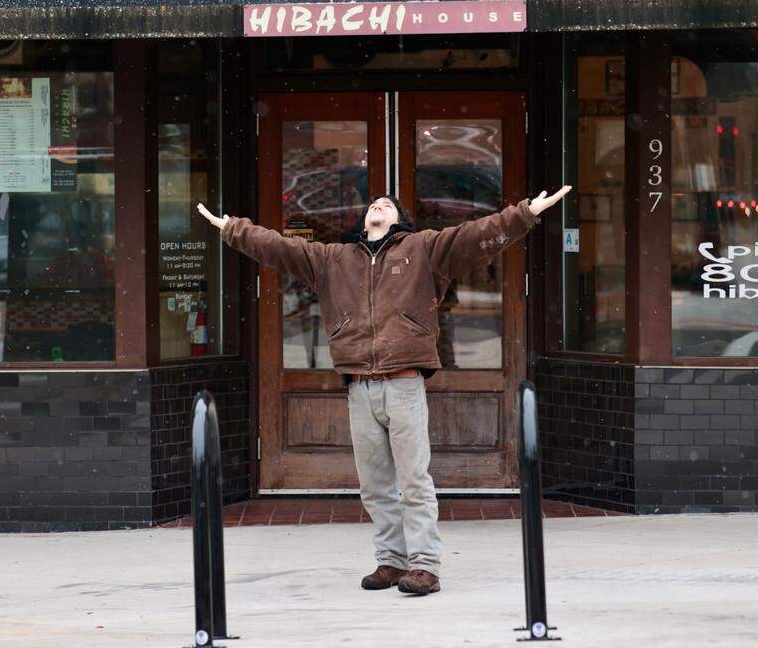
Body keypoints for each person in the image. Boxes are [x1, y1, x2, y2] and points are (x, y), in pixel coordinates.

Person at [197, 185, 570, 596]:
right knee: (374, 486)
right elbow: (278, 248)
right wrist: (232, 228)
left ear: (399, 220)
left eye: (387, 204)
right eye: (374, 203)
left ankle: (425, 566)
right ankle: (391, 561)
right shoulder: (333, 259)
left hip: (404, 384)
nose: (378, 205)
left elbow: (477, 236)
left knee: (414, 481)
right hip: (360, 387)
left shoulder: (424, 250)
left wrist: (526, 212)